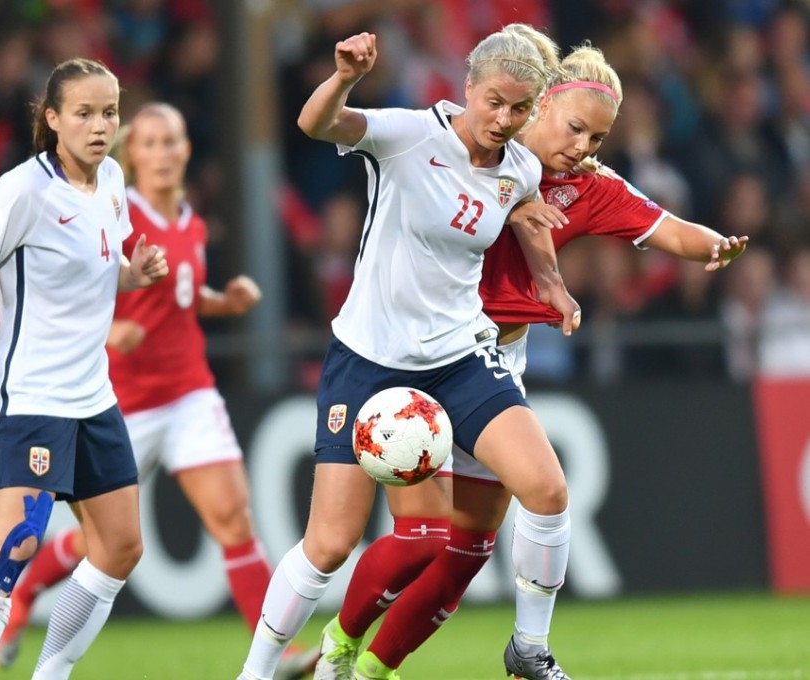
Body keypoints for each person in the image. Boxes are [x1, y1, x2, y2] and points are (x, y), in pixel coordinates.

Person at [321, 41, 749, 680]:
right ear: (539, 104)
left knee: (469, 549)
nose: (583, 146)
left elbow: (664, 226)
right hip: (423, 356)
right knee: (418, 537)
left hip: (495, 363)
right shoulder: (481, 153)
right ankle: (340, 641)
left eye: (598, 137)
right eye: (575, 127)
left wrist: (712, 245)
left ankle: (380, 668)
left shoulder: (589, 186)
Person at [237, 26, 580, 680]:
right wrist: (343, 77)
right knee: (331, 543)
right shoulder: (405, 134)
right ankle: (255, 672)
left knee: (546, 486)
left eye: (519, 109)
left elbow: (528, 213)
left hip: (457, 356)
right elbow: (315, 123)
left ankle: (528, 649)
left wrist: (552, 286)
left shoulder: (520, 168)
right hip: (368, 360)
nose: (504, 120)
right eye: (495, 103)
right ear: (468, 89)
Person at [0, 102, 318, 680]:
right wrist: (111, 329)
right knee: (98, 544)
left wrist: (225, 303)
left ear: (187, 150)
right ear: (130, 154)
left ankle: (274, 657)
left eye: (173, 141)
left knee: (234, 518)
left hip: (190, 391)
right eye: (150, 142)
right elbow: (66, 289)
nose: (164, 152)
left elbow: (181, 297)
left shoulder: (191, 222)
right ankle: (18, 602)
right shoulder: (113, 214)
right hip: (121, 403)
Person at [0, 58, 168, 680]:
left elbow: (95, 265)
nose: (99, 126)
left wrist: (133, 275)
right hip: (30, 394)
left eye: (109, 112)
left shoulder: (112, 179)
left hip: (92, 395)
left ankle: (50, 674)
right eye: (84, 113)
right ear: (52, 119)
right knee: (19, 540)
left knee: (120, 547)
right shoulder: (22, 190)